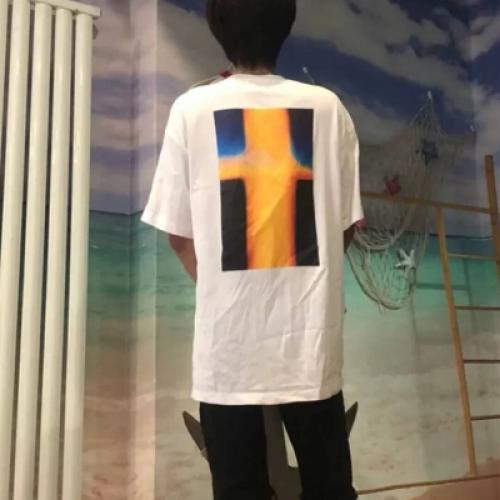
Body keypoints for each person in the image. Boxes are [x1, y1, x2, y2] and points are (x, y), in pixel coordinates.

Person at [141, 0, 363, 498]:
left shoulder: (191, 109)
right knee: (330, 488)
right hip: (310, 345)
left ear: (217, 27)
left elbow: (178, 235)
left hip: (227, 349)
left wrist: (224, 288)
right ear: (286, 24)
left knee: (238, 490)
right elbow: (345, 227)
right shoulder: (329, 108)